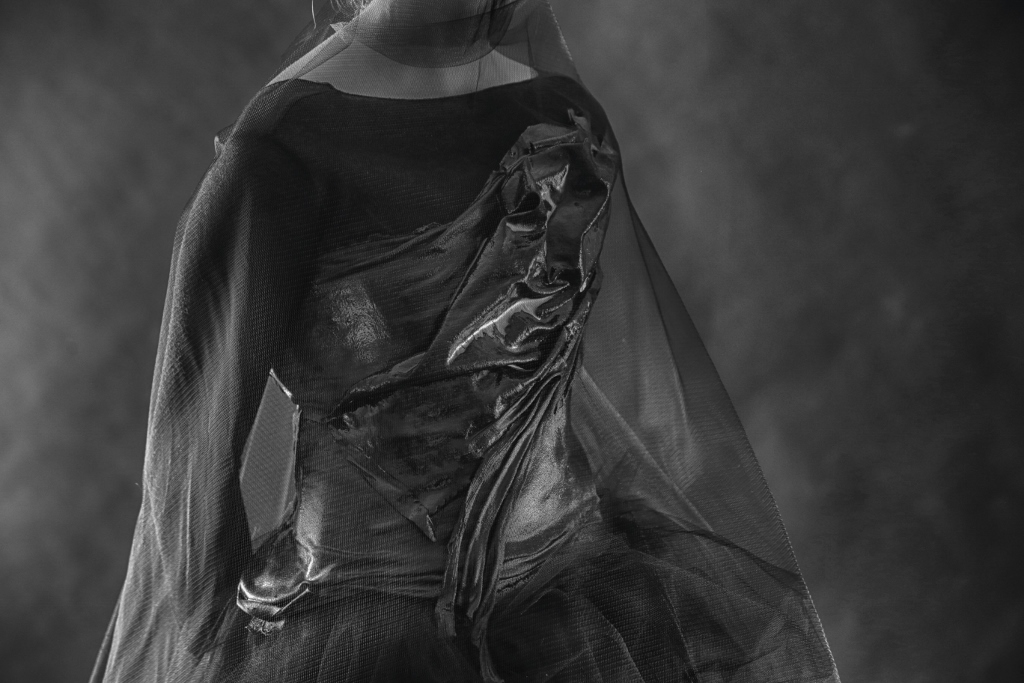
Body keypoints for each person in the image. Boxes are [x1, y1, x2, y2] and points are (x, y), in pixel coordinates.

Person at [91, 1, 840, 681]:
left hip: (582, 606)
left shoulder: (561, 114)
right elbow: (188, 462)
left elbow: (545, 385)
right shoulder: (282, 154)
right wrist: (217, 653)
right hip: (370, 638)